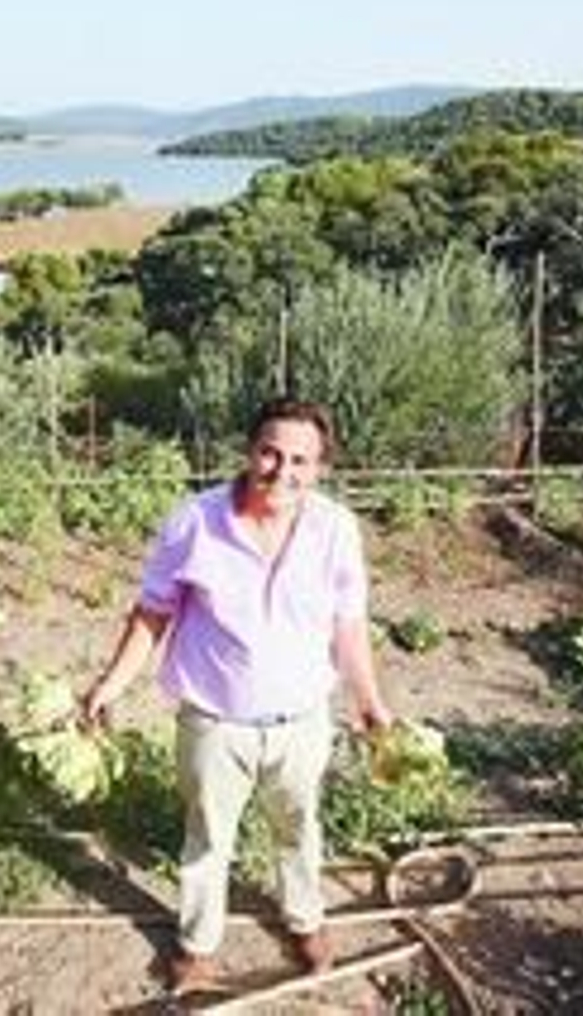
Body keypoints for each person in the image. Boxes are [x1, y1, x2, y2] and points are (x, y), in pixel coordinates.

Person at [79, 396, 393, 995]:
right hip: (215, 723)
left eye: (301, 460)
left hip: (302, 720)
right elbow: (151, 614)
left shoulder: (334, 529)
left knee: (299, 828)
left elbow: (348, 624)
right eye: (271, 453)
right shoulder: (195, 521)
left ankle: (304, 921)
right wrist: (109, 684)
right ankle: (198, 946)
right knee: (207, 838)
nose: (282, 470)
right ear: (250, 451)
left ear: (320, 468)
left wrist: (370, 702)